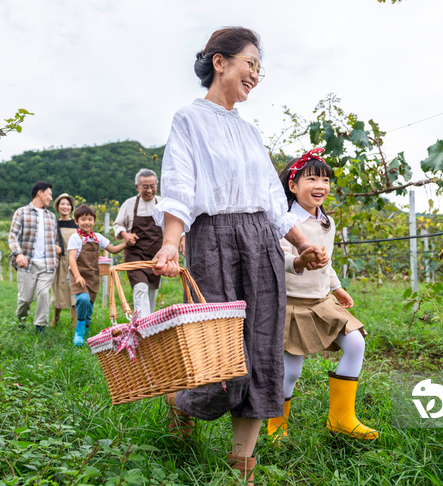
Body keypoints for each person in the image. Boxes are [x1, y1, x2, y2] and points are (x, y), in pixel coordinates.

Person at [151, 27, 328, 484]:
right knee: (218, 357)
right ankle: (182, 400)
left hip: (260, 243)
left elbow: (271, 199)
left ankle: (240, 467)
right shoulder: (189, 119)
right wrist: (171, 243)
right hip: (212, 239)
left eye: (259, 67)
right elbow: (179, 187)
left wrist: (302, 244)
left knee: (262, 349)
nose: (256, 73)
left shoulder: (249, 133)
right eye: (251, 62)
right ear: (220, 62)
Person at [267, 149, 378, 442]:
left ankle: (341, 417)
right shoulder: (286, 221)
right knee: (290, 371)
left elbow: (326, 261)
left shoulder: (326, 222)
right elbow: (278, 259)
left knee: (355, 342)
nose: (321, 185)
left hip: (321, 301)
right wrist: (299, 262)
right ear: (292, 186)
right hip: (292, 304)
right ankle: (276, 424)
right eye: (312, 178)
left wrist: (336, 286)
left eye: (326, 180)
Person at [112, 169, 176, 317]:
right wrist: (125, 234)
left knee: (152, 291)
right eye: (145, 187)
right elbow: (118, 225)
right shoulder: (129, 204)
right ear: (137, 187)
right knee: (140, 287)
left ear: (157, 185)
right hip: (135, 255)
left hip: (156, 256)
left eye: (152, 186)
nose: (149, 190)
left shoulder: (162, 204)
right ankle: (142, 327)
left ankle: (148, 323)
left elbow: (172, 225)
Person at [68, 204, 126, 346]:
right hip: (78, 275)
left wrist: (126, 244)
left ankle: (85, 330)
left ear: (94, 221)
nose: (86, 222)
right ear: (77, 222)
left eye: (89, 219)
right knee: (83, 299)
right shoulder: (75, 238)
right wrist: (77, 276)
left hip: (93, 277)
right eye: (83, 219)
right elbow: (71, 259)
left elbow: (112, 249)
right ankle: (79, 332)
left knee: (89, 308)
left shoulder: (98, 237)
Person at [9, 181, 62, 333]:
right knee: (25, 299)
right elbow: (13, 236)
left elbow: (54, 239)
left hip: (48, 264)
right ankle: (21, 319)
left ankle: (41, 328)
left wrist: (56, 251)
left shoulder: (51, 216)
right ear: (40, 192)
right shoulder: (21, 212)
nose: (51, 199)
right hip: (27, 263)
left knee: (44, 294)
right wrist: (18, 254)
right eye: (49, 195)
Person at [50, 193, 78, 326]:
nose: (65, 207)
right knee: (60, 291)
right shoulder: (53, 224)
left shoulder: (77, 224)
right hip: (60, 262)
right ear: (57, 207)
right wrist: (53, 246)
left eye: (68, 204)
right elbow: (47, 240)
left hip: (75, 262)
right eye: (62, 204)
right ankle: (55, 317)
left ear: (71, 207)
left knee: (75, 293)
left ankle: (75, 326)